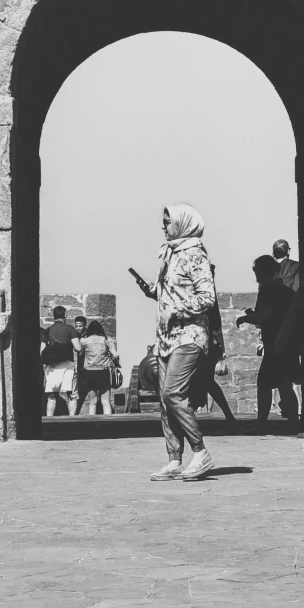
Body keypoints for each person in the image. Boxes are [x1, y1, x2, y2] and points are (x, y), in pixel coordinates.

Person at [133, 203, 218, 481]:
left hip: (189, 336)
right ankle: (174, 459)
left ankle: (200, 451)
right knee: (164, 400)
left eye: (168, 221)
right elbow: (168, 294)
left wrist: (176, 310)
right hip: (166, 339)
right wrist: (151, 291)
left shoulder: (194, 255)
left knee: (173, 393)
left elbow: (207, 297)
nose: (164, 226)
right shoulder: (170, 254)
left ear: (182, 224)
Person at [240, 244, 301, 424]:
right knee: (284, 384)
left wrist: (245, 319)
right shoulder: (284, 290)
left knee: (264, 384)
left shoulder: (267, 290)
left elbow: (265, 316)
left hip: (275, 343)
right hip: (287, 342)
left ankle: (261, 423)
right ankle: (293, 422)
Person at [74, 318, 118, 415]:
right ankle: (107, 422)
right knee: (106, 402)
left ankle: (92, 424)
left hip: (89, 372)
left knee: (92, 402)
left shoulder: (84, 341)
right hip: (103, 372)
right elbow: (115, 355)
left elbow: (80, 354)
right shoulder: (106, 340)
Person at [41, 306, 79, 417]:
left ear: (54, 316)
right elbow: (78, 348)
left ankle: (49, 420)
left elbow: (41, 351)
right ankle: (72, 421)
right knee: (72, 395)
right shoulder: (70, 329)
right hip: (68, 365)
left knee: (52, 396)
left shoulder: (48, 331)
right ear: (65, 315)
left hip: (52, 367)